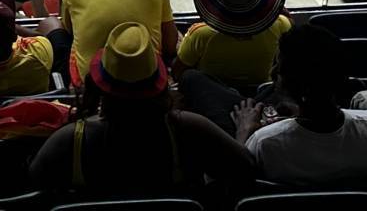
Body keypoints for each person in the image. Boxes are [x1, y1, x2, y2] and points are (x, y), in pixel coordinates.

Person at [28, 23, 252, 207]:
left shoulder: (69, 141)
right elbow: (246, 170)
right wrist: (243, 133)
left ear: (98, 84)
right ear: (161, 82)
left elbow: (33, 192)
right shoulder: (189, 129)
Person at [237, 24, 367, 187]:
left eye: (279, 67)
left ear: (294, 84)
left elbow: (238, 178)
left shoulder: (265, 142)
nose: (273, 73)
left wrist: (244, 131)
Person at [175, 0, 292, 122]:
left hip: (213, 101)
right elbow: (288, 19)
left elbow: (179, 72)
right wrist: (270, 8)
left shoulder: (200, 34)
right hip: (260, 96)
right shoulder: (280, 26)